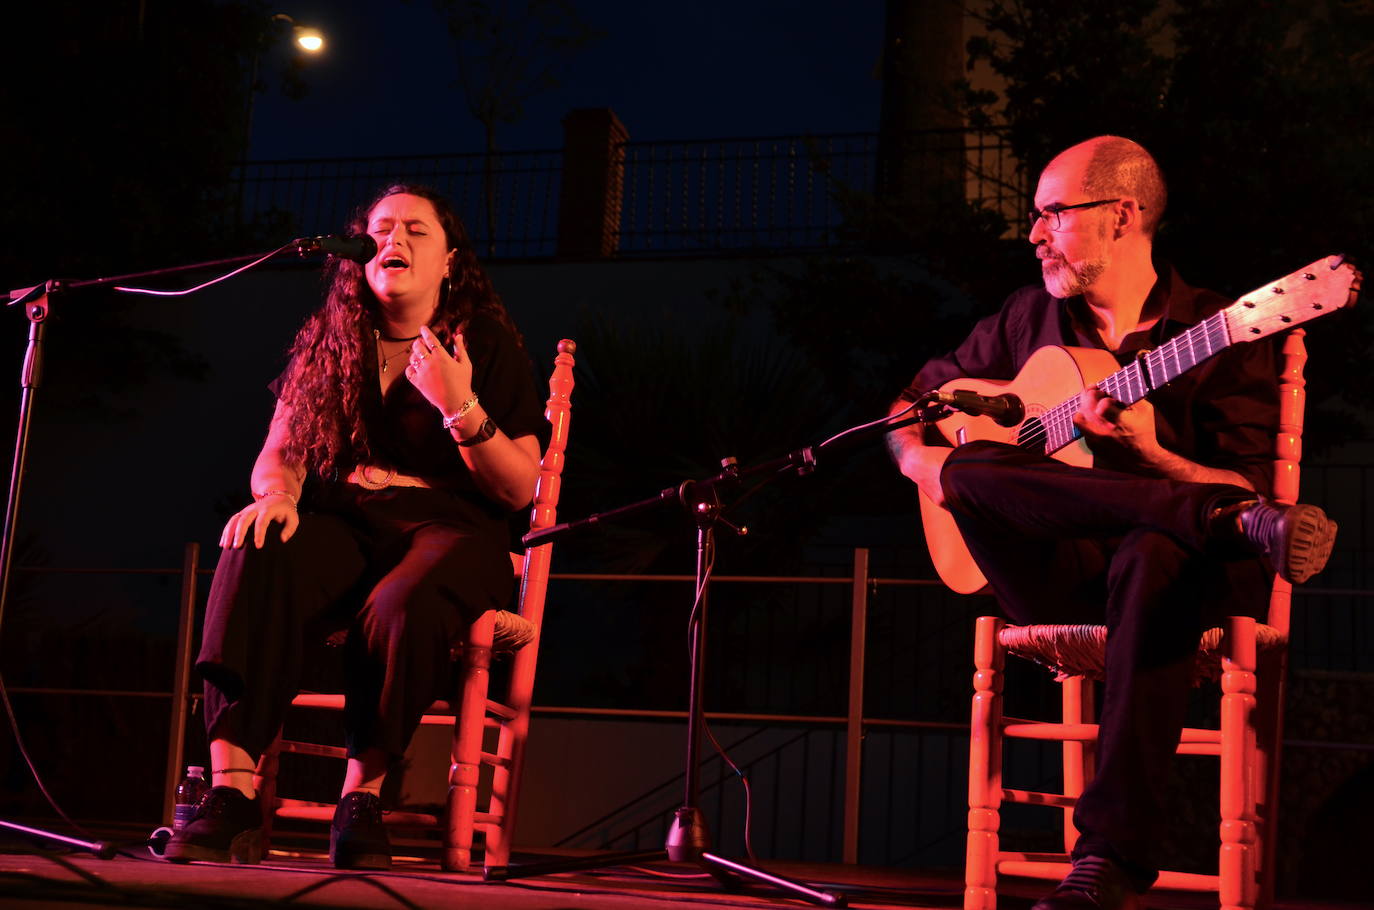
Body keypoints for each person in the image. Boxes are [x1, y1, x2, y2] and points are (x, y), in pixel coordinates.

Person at [887, 136, 1354, 909]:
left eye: (1052, 215)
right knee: (967, 467)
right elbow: (911, 408)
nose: (1033, 234)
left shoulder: (1219, 330)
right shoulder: (1026, 318)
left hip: (1174, 590)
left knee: (1155, 550)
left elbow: (1251, 483)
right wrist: (918, 464)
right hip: (1056, 578)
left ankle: (1111, 858)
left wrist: (1152, 455)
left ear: (1122, 215)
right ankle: (1200, 516)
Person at [166, 184, 546, 869]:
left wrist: (459, 407)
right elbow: (279, 450)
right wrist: (277, 495)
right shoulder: (332, 343)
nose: (393, 239)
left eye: (416, 231)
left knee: (407, 599)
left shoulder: (480, 342)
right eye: (380, 228)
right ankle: (232, 792)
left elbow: (520, 486)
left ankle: (361, 798)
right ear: (357, 252)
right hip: (346, 519)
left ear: (450, 261)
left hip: (450, 527)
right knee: (255, 545)